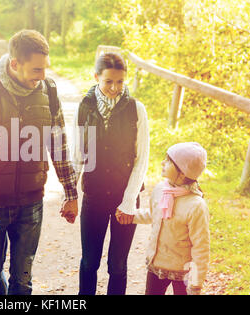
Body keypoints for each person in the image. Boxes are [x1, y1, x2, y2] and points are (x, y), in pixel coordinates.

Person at [0, 29, 78, 295]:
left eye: (45, 68)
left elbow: (58, 144)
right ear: (15, 64)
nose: (43, 76)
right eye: (36, 70)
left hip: (31, 203)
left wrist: (71, 193)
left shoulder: (48, 91)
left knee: (22, 282)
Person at [72, 52, 149, 295]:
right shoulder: (84, 107)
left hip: (125, 199)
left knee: (117, 265)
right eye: (108, 81)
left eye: (120, 82)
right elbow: (77, 156)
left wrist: (128, 202)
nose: (114, 87)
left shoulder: (137, 110)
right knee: (89, 262)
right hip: (93, 197)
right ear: (96, 77)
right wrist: (69, 194)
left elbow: (141, 160)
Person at [118, 142, 210, 295]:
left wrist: (195, 285)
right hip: (157, 265)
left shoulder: (196, 206)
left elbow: (201, 249)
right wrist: (132, 216)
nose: (162, 163)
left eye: (168, 161)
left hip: (183, 272)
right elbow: (156, 214)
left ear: (182, 172)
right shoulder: (161, 189)